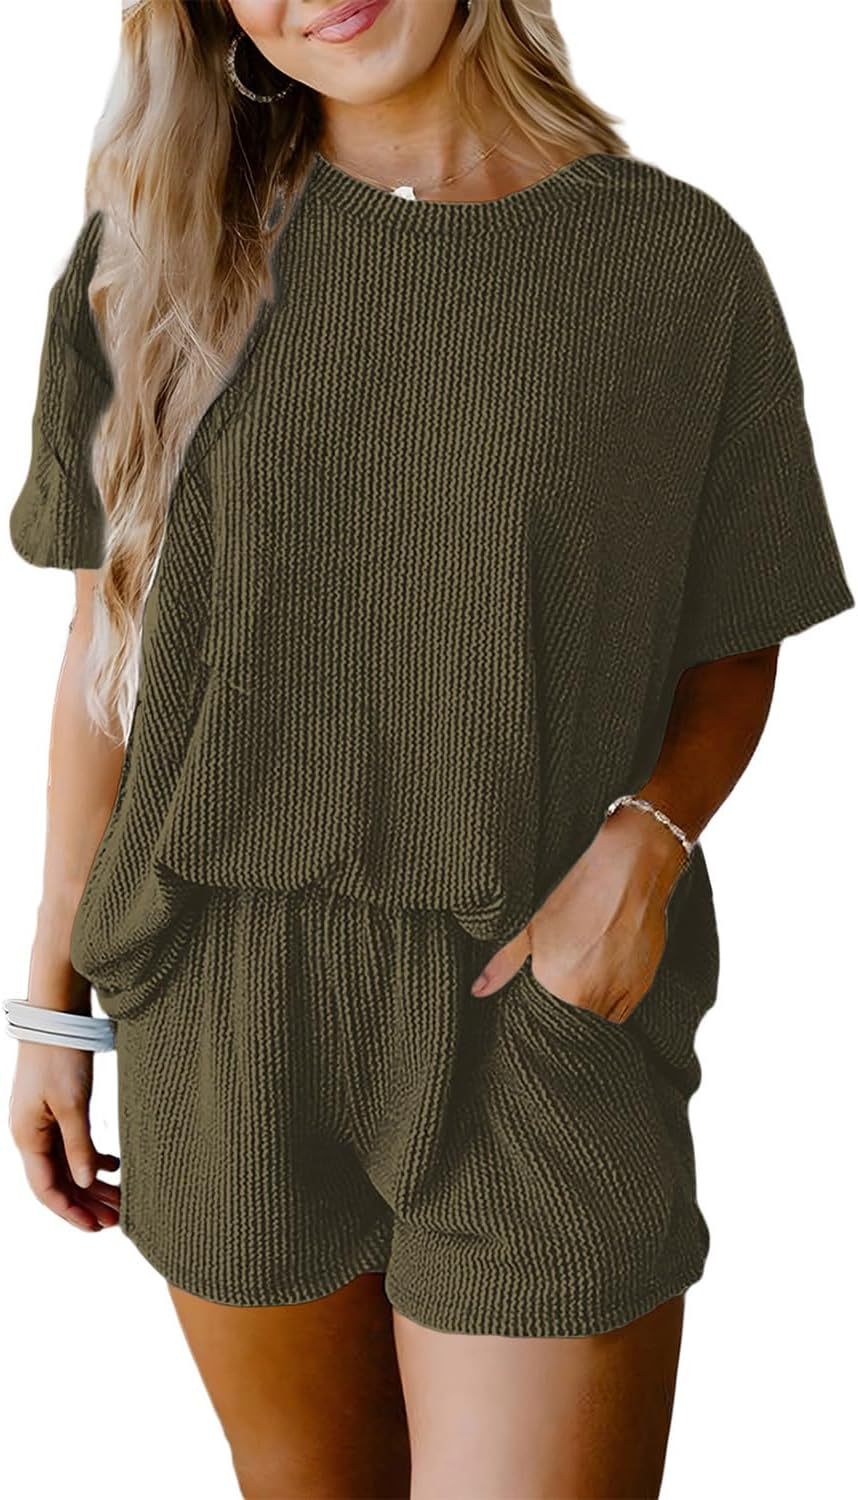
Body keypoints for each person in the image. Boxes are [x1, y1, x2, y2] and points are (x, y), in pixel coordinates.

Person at [6, 2, 854, 1496]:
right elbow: (103, 653)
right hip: (222, 1006)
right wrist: (51, 1008)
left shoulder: (671, 264)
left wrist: (646, 847)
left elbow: (734, 626)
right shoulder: (149, 257)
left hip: (531, 997)